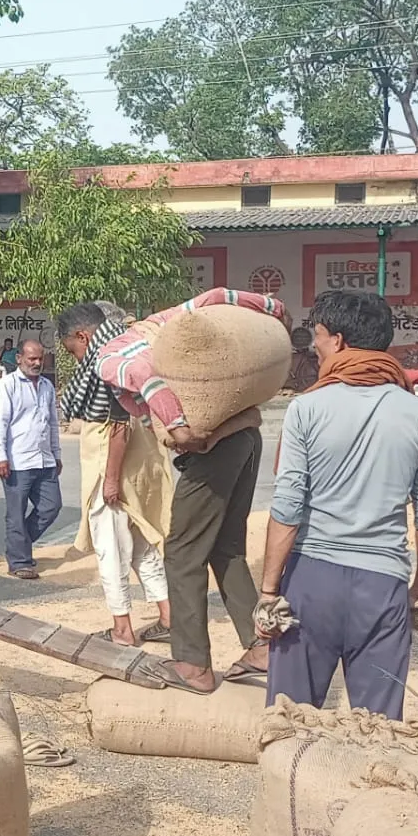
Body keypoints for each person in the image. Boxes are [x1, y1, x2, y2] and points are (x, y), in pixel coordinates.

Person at [257, 291, 418, 716]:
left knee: (292, 723)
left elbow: (287, 507)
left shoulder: (307, 408)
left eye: (318, 336)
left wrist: (269, 590)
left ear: (337, 341)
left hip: (310, 582)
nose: (316, 347)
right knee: (378, 732)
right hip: (383, 586)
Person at [92, 286, 287, 693]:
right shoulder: (167, 325)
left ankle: (192, 663)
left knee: (182, 552)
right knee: (226, 547)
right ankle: (261, 647)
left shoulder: (111, 355)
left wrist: (178, 426)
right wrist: (271, 306)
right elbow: (217, 295)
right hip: (245, 436)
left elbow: (144, 380)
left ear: (82, 337)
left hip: (213, 446)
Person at [58, 301, 173, 647]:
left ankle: (122, 629)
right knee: (142, 545)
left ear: (83, 335)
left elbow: (118, 426)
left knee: (111, 551)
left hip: (111, 473)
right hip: (137, 470)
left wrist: (110, 479)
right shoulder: (124, 354)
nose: (76, 358)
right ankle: (169, 618)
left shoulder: (105, 364)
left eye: (73, 350)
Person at [0, 339, 62, 579]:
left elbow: (52, 423)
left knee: (51, 506)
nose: (37, 363)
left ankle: (18, 543)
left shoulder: (47, 387)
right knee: (16, 513)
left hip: (44, 460)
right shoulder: (6, 386)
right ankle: (20, 561)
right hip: (17, 461)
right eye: (32, 358)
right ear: (19, 358)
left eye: (40, 358)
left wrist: (56, 454)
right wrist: (0, 456)